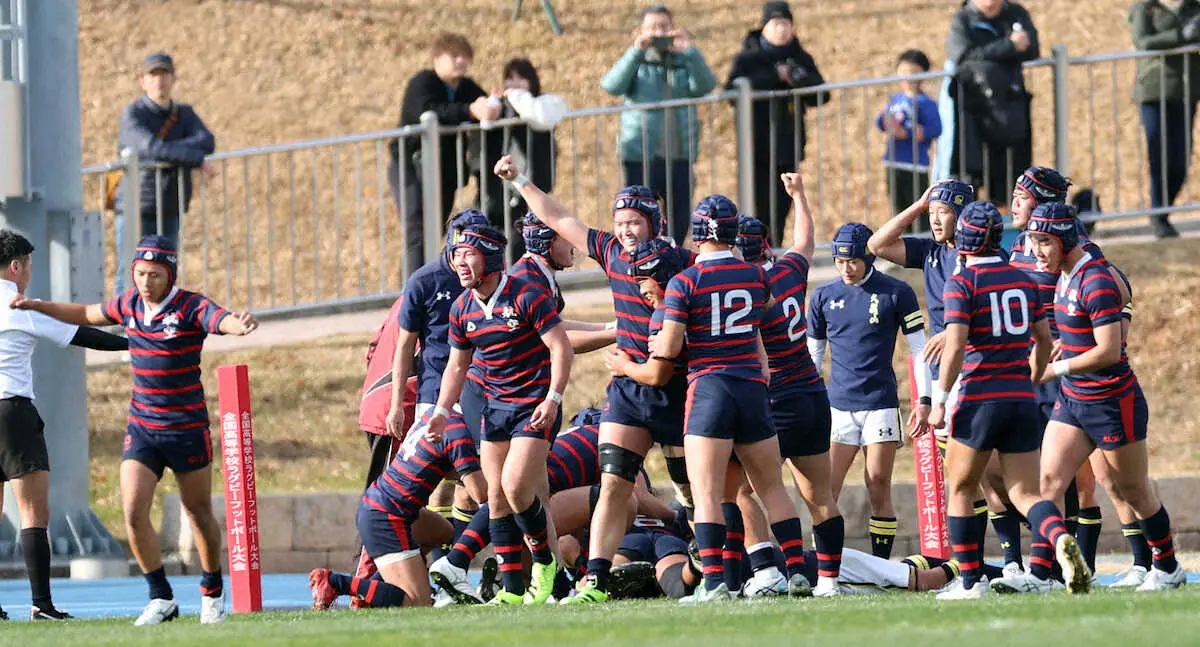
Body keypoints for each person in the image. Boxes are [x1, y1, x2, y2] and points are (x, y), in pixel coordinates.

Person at [12, 235, 259, 625]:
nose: (145, 282)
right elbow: (87, 313)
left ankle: (212, 591)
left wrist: (237, 324)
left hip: (187, 427)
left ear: (170, 275)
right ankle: (160, 597)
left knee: (197, 511)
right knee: (132, 512)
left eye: (154, 275)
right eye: (140, 273)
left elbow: (219, 318)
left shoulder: (190, 305)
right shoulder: (129, 304)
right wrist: (39, 306)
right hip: (143, 427)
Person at [494, 156, 693, 605]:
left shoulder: (684, 261)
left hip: (677, 389)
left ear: (655, 222)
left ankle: (718, 567)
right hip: (627, 391)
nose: (625, 230)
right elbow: (559, 217)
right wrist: (520, 180)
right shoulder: (610, 252)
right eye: (619, 221)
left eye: (634, 221)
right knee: (615, 482)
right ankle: (596, 581)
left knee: (690, 489)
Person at [995, 204, 1187, 593]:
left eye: (1044, 241)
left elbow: (1110, 351)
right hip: (1074, 401)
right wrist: (1067, 344)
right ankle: (1041, 575)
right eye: (1032, 240)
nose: (1036, 250)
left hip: (1113, 401)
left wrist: (1058, 368)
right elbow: (1086, 333)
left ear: (1066, 241)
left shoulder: (1095, 280)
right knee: (1046, 481)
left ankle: (1167, 567)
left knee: (1134, 490)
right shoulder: (1063, 275)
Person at [650, 195, 815, 603]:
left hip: (709, 388)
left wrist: (648, 349)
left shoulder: (684, 280)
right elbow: (767, 317)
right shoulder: (755, 275)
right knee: (772, 488)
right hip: (752, 391)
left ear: (700, 231)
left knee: (707, 493)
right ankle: (795, 572)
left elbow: (669, 349)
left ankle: (714, 583)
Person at [921, 201, 1088, 600]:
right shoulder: (1025, 278)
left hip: (979, 397)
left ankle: (970, 582)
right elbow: (1045, 341)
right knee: (1027, 494)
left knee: (960, 486)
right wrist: (1028, 381)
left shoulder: (960, 283)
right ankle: (1061, 539)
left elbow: (956, 346)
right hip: (1020, 398)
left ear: (962, 242)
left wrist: (940, 399)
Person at [423, 223, 574, 605]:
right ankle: (511, 590)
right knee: (496, 497)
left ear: (490, 257)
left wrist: (553, 398)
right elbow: (457, 367)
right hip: (495, 408)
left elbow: (561, 348)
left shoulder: (526, 294)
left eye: (468, 254)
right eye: (455, 254)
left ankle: (545, 566)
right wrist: (442, 411)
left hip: (533, 406)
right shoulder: (462, 308)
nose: (459, 262)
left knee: (517, 488)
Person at [0, 230, 127, 621]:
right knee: (33, 511)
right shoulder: (20, 304)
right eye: (29, 266)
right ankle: (42, 604)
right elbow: (83, 335)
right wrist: (137, 343)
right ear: (16, 266)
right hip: (12, 413)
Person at [735, 172, 846, 597]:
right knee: (819, 495)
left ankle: (775, 570)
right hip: (812, 392)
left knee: (745, 490)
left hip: (771, 397)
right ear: (765, 245)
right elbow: (803, 241)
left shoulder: (741, 286)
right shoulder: (787, 273)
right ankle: (830, 582)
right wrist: (799, 195)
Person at [807, 221, 931, 560]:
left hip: (880, 404)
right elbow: (814, 354)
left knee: (878, 485)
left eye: (852, 261)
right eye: (838, 261)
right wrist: (808, 398)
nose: (845, 269)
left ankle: (880, 566)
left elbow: (919, 349)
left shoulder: (896, 291)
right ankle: (826, 565)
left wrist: (925, 399)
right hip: (837, 407)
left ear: (869, 258)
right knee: (825, 490)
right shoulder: (823, 295)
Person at [309, 411, 485, 610]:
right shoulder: (456, 433)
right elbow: (482, 495)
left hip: (386, 505)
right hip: (388, 516)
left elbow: (447, 465)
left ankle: (372, 589)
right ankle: (335, 582)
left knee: (443, 532)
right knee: (418, 603)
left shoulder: (434, 416)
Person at [601, 4, 717, 243]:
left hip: (679, 153)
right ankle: (643, 261)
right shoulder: (636, 61)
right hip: (640, 153)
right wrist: (636, 51)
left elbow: (705, 86)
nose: (658, 33)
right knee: (639, 215)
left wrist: (690, 52)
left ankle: (672, 256)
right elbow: (612, 85)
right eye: (652, 27)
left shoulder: (684, 61)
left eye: (664, 27)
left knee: (681, 214)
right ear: (640, 31)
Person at [389, 34, 500, 277]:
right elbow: (427, 111)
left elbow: (480, 102)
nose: (461, 61)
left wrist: (491, 105)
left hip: (444, 172)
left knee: (435, 229)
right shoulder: (423, 82)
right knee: (417, 226)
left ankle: (423, 284)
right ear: (437, 59)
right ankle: (410, 289)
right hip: (411, 166)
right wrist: (469, 110)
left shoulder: (466, 87)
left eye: (465, 56)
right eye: (454, 56)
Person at [726, 1, 829, 243]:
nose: (781, 30)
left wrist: (798, 80)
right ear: (764, 27)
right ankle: (756, 253)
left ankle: (776, 250)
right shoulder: (748, 58)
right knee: (758, 207)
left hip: (788, 145)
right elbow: (732, 91)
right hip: (757, 146)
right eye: (775, 24)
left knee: (783, 205)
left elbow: (823, 94)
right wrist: (775, 77)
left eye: (786, 24)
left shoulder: (800, 56)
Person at [114, 52, 215, 295]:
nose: (159, 80)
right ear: (143, 81)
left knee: (165, 270)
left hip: (170, 203)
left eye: (164, 74)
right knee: (131, 271)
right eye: (153, 74)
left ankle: (159, 327)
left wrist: (172, 152)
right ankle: (123, 328)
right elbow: (148, 147)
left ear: (173, 78)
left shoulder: (184, 114)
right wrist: (194, 158)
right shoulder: (133, 115)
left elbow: (207, 141)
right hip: (138, 204)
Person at [946, 0, 1039, 205]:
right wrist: (1009, 45)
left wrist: (996, 52)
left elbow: (1033, 48)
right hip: (974, 110)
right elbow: (963, 56)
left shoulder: (1016, 13)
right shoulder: (963, 20)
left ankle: (1008, 229)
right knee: (970, 175)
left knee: (1011, 176)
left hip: (1010, 107)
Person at [478, 58, 568, 260]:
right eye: (509, 78)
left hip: (536, 178)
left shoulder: (545, 102)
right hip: (502, 184)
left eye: (521, 78)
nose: (514, 84)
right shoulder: (500, 106)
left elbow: (540, 118)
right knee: (507, 232)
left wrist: (518, 97)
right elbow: (485, 126)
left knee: (531, 230)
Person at [1128, 0, 1200, 238]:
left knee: (1181, 160)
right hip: (1153, 90)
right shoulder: (1145, 8)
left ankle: (1164, 209)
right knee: (1160, 156)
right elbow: (1143, 41)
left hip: (1186, 90)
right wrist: (1181, 35)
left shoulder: (1193, 7)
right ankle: (1159, 216)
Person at [875, 50, 943, 227]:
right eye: (903, 71)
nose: (908, 77)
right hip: (893, 162)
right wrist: (887, 122)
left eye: (914, 72)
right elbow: (880, 121)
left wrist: (909, 133)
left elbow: (935, 128)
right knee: (898, 210)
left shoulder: (926, 102)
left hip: (916, 165)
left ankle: (921, 242)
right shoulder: (894, 99)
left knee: (918, 208)